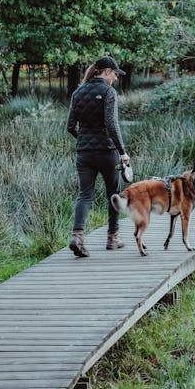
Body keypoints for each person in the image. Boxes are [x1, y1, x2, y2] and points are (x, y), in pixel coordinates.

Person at [67, 55, 130, 258]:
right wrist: (122, 152)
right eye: (115, 74)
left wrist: (84, 140)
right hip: (107, 153)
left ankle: (77, 236)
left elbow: (70, 126)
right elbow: (112, 125)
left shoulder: (78, 92)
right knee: (114, 194)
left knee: (84, 195)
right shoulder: (108, 92)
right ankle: (113, 238)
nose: (116, 79)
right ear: (106, 72)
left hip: (84, 154)